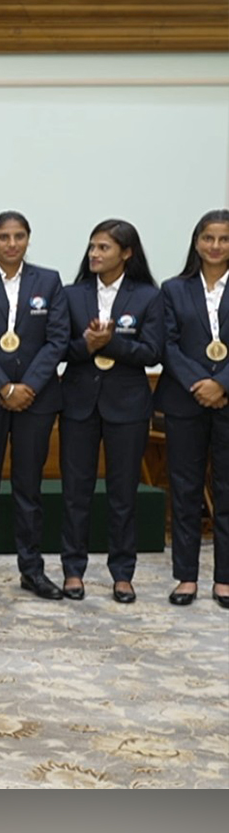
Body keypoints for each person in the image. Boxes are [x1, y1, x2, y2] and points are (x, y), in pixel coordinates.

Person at [0, 210, 70, 600]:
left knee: (29, 487)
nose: (12, 244)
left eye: (19, 236)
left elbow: (57, 340)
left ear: (28, 240)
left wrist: (28, 386)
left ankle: (32, 570)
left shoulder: (49, 281)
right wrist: (4, 387)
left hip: (36, 400)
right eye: (3, 237)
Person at [60, 219, 163, 604]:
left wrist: (113, 343)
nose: (95, 254)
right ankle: (73, 569)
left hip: (128, 404)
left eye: (104, 248)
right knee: (75, 491)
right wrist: (87, 344)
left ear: (127, 253)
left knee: (123, 492)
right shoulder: (71, 295)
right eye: (92, 247)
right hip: (78, 402)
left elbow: (153, 352)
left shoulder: (149, 297)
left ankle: (123, 573)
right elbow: (60, 350)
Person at [156, 208, 229, 610]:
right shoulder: (174, 288)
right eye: (208, 238)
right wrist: (200, 383)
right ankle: (186, 576)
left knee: (227, 492)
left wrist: (222, 383)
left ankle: (225, 579)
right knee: (184, 491)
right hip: (186, 400)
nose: (216, 246)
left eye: (224, 239)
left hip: (227, 396)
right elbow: (166, 344)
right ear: (196, 242)